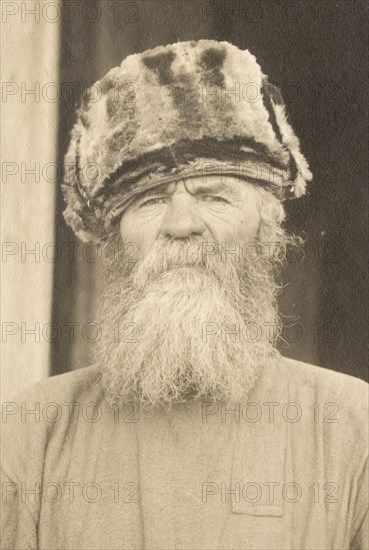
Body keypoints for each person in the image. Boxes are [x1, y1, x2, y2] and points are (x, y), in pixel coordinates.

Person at [1, 40, 367, 550]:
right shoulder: (34, 430)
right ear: (114, 240)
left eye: (212, 195)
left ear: (266, 228)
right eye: (151, 199)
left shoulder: (352, 428)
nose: (181, 225)